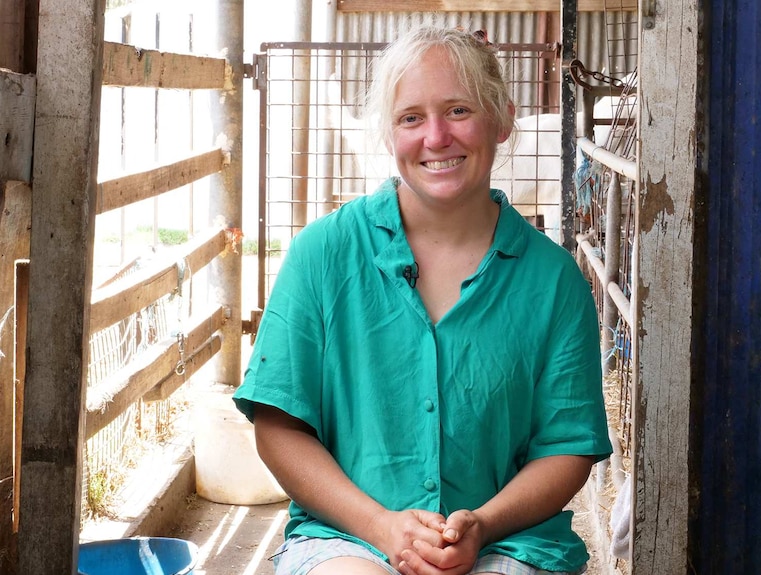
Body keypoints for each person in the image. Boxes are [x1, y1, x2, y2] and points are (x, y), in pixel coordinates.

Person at [233, 24, 612, 575]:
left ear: (503, 119)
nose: (436, 137)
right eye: (411, 118)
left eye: (459, 110)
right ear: (389, 134)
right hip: (351, 535)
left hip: (508, 540)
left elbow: (567, 447)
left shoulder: (554, 282)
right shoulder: (323, 254)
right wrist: (382, 527)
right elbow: (278, 428)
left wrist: (481, 525)